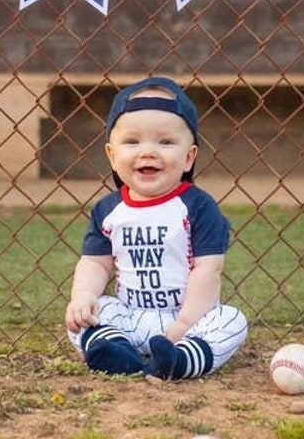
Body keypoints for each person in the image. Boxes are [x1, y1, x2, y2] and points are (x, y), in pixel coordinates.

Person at [65, 76, 248, 381]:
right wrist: (83, 296)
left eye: (165, 142)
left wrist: (184, 325)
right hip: (130, 316)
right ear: (112, 155)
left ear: (189, 157)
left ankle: (179, 360)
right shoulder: (108, 210)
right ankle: (117, 351)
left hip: (186, 317)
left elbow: (208, 271)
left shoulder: (199, 207)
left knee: (232, 320)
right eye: (132, 141)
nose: (148, 152)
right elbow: (96, 262)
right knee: (90, 313)